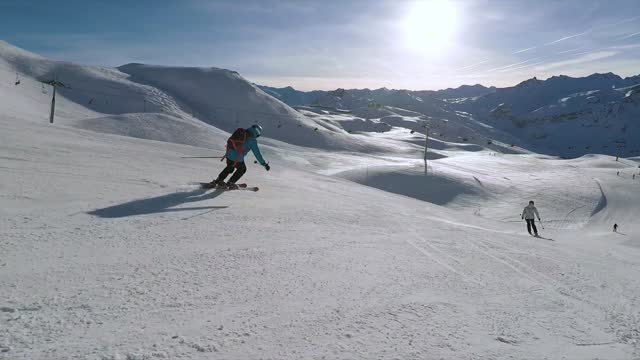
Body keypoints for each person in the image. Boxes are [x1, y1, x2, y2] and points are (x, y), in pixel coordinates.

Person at [211, 124, 270, 189]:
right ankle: (230, 182)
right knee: (242, 169)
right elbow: (257, 154)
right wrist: (264, 164)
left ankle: (219, 180)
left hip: (228, 154)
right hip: (237, 158)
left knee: (230, 167)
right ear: (257, 134)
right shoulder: (252, 140)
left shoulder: (242, 132)